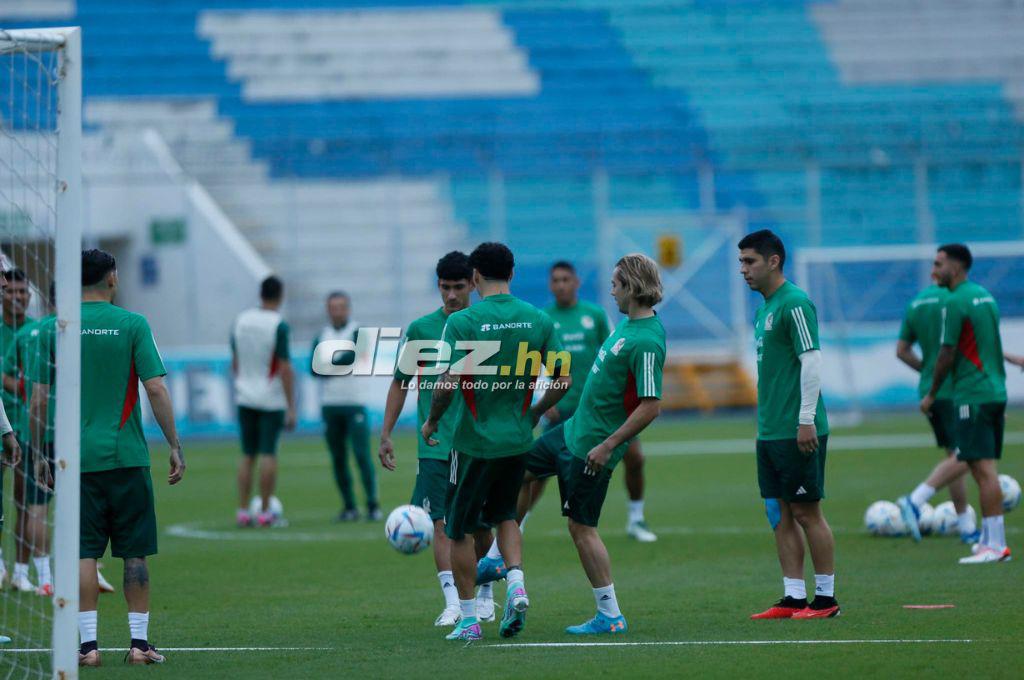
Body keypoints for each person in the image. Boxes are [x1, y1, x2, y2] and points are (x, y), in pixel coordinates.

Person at [31, 249, 185, 666]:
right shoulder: (133, 324)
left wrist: (40, 452)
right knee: (134, 553)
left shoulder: (52, 328)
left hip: (75, 460)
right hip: (127, 457)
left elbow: (40, 398)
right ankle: (139, 645)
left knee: (84, 553)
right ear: (112, 278)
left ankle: (87, 649)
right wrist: (173, 444)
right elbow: (156, 389)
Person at [422, 242, 570, 641]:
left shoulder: (463, 322)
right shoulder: (537, 319)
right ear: (512, 274)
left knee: (458, 531)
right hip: (519, 438)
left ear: (474, 278)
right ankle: (517, 583)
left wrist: (432, 420)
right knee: (506, 515)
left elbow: (447, 383)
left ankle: (469, 621)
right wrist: (536, 412)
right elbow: (564, 379)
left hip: (472, 443)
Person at [524, 253, 666, 635]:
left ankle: (610, 614)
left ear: (633, 288)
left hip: (591, 448)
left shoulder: (647, 341)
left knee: (581, 528)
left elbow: (651, 406)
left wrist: (609, 445)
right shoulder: (625, 326)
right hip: (568, 434)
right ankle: (495, 556)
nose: (612, 290)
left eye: (617, 283)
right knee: (516, 469)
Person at [380, 251, 498, 625]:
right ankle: (452, 602)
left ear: (473, 285)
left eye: (458, 287)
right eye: (445, 287)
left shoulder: (485, 326)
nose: (451, 295)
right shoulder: (421, 329)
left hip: (477, 442)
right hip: (433, 445)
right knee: (440, 523)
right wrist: (385, 433)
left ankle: (485, 592)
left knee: (479, 523)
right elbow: (400, 382)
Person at [509, 261, 657, 551]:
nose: (561, 285)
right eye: (556, 280)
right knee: (537, 472)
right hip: (561, 407)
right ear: (550, 285)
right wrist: (544, 397)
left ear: (576, 282)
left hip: (604, 412)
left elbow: (615, 354)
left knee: (635, 458)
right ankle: (518, 523)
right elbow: (533, 362)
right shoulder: (544, 318)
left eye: (566, 279)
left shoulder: (597, 315)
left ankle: (636, 518)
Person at [739, 230, 839, 620]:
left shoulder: (795, 303)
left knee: (806, 513)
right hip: (770, 430)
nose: (743, 270)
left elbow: (812, 362)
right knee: (778, 512)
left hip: (799, 429)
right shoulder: (764, 308)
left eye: (750, 261)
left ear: (773, 261)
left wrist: (805, 420)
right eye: (741, 262)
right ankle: (793, 597)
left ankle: (826, 599)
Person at [919, 244, 1010, 564]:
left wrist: (931, 393)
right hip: (995, 390)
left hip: (973, 394)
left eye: (938, 264)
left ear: (955, 268)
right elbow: (991, 345)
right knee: (983, 468)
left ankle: (995, 546)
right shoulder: (986, 297)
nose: (934, 270)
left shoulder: (955, 302)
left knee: (982, 470)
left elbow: (947, 353)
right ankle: (990, 539)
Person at [894, 282, 978, 542]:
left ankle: (965, 527)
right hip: (956, 389)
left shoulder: (916, 303)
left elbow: (901, 351)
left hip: (932, 392)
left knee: (956, 454)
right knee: (971, 451)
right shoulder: (958, 301)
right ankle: (915, 500)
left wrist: (929, 373)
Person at [231, 276, 296, 527]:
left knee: (247, 454)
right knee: (269, 453)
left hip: (244, 394)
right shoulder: (278, 324)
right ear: (280, 296)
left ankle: (243, 511)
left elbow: (235, 361)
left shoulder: (241, 320)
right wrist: (291, 406)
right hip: (270, 397)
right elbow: (285, 367)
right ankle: (266, 511)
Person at [311, 291, 379, 521]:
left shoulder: (358, 331)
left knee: (361, 455)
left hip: (355, 402)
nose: (337, 311)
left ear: (348, 309)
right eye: (333, 307)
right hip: (330, 404)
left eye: (341, 307)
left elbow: (354, 357)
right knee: (338, 457)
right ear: (328, 310)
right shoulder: (322, 335)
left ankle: (372, 504)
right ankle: (349, 506)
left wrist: (327, 364)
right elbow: (313, 369)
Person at [0, 269, 33, 591]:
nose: (17, 296)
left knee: (25, 499)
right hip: (1, 424)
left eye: (23, 292)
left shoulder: (37, 332)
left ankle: (22, 572)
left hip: (26, 426)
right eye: (12, 291)